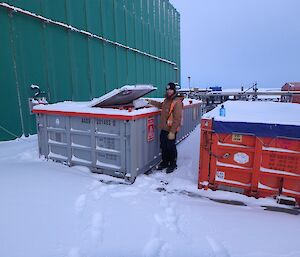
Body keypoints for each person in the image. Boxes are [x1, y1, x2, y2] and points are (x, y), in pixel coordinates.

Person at [147, 82, 183, 173]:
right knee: (163, 146)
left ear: (174, 90)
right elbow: (161, 105)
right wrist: (151, 102)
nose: (169, 91)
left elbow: (177, 118)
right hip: (164, 128)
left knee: (170, 147)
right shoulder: (167, 100)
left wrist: (172, 132)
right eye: (167, 90)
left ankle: (173, 164)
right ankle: (165, 162)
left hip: (171, 129)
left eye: (170, 90)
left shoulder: (177, 102)